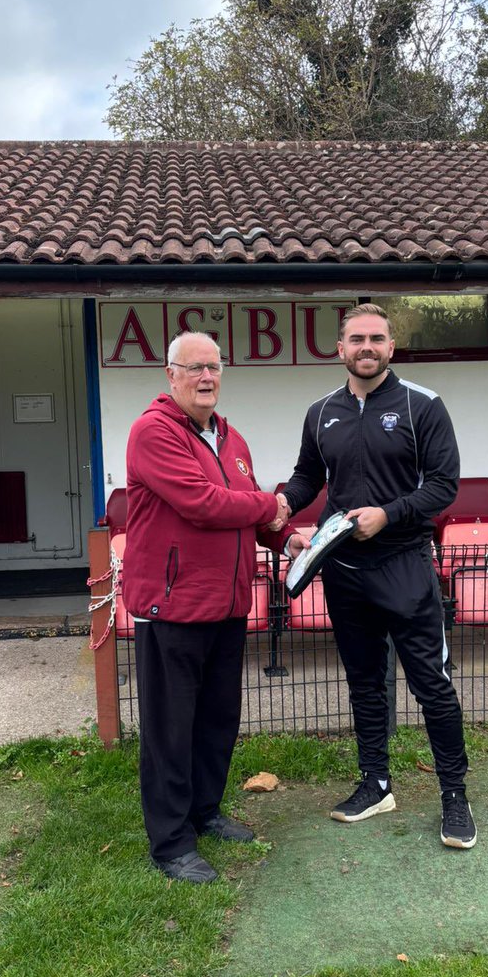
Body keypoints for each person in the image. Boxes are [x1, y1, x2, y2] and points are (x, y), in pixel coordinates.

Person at [280, 303, 476, 849]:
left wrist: (388, 514)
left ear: (392, 347)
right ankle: (376, 783)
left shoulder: (423, 406)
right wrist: (281, 504)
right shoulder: (321, 412)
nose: (366, 347)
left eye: (377, 338)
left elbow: (443, 486)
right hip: (343, 571)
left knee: (431, 686)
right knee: (364, 683)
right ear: (339, 348)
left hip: (405, 567)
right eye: (356, 339)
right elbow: (306, 477)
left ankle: (454, 796)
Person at [122, 331, 290, 883]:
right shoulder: (153, 431)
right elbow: (202, 504)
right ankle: (171, 843)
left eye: (214, 367)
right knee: (171, 729)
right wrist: (272, 504)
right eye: (193, 368)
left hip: (227, 604)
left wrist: (283, 538)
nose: (206, 378)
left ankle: (205, 812)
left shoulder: (231, 438)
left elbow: (246, 511)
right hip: (171, 607)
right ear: (170, 375)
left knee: (217, 720)